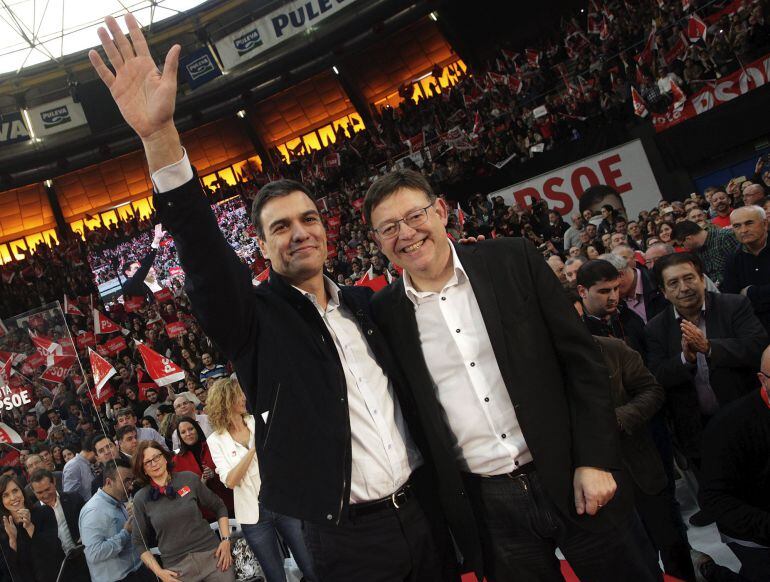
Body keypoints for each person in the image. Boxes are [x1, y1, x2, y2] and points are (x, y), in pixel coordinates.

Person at [90, 14, 454, 581]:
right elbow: (205, 254)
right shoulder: (253, 321)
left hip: (427, 512)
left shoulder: (369, 305)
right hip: (347, 540)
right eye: (280, 227)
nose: (300, 231)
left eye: (308, 218)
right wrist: (160, 138)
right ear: (259, 246)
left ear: (327, 228)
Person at [364, 169, 658, 581]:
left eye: (415, 216)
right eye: (389, 227)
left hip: (573, 471)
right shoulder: (385, 313)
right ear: (378, 241)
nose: (407, 233)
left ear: (442, 211)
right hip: (489, 507)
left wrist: (595, 459)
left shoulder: (513, 258)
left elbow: (584, 363)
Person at [645, 253, 767, 477]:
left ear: (702, 279)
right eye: (673, 283)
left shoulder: (734, 305)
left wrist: (710, 347)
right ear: (663, 292)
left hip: (749, 421)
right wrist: (686, 359)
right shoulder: (656, 328)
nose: (684, 287)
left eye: (689, 278)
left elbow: (758, 347)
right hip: (699, 432)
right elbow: (657, 375)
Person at [591, 336, 696, 582]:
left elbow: (653, 390)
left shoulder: (612, 349)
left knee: (672, 546)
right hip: (595, 482)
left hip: (640, 468)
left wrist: (621, 417)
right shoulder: (541, 364)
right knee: (631, 560)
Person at [206, 378, 318, 582]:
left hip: (283, 503)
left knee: (311, 566)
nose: (244, 397)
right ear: (227, 400)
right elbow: (230, 481)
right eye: (239, 394)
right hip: (253, 516)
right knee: (275, 576)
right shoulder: (215, 440)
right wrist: (254, 449)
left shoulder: (259, 420)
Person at [698, 344, 770, 582]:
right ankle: (713, 573)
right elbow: (714, 499)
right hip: (754, 531)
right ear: (762, 379)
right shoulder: (729, 427)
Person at [131, 441, 234, 582]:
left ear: (165, 457)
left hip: (213, 557)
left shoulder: (188, 478)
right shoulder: (141, 499)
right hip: (177, 571)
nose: (154, 463)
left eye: (157, 457)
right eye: (147, 462)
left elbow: (219, 506)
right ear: (143, 469)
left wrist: (226, 540)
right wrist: (160, 573)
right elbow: (138, 541)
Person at [80, 457, 156, 582]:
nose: (130, 487)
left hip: (137, 570)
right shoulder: (93, 511)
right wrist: (125, 534)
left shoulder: (118, 500)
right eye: (126, 481)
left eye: (131, 480)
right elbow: (94, 554)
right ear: (109, 482)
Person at [28, 468, 90, 581]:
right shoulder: (33, 515)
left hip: (84, 559)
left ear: (54, 482)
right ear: (33, 492)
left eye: (47, 489)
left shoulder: (74, 499)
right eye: (40, 492)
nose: (45, 495)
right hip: (59, 570)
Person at [576, 259, 647, 356]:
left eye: (616, 288)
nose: (613, 297)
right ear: (582, 291)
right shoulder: (575, 330)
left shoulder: (631, 318)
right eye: (604, 291)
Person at [172, 416, 233, 518]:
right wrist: (197, 485)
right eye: (183, 432)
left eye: (191, 429)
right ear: (180, 436)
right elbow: (180, 492)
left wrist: (214, 473)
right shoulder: (176, 461)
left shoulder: (213, 445)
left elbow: (231, 469)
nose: (188, 433)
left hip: (229, 503)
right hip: (203, 514)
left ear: (197, 429)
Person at [722, 206, 770, 334]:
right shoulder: (732, 259)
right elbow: (732, 299)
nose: (743, 230)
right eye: (737, 226)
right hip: (755, 327)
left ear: (765, 224)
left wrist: (750, 292)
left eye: (749, 223)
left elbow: (742, 297)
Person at [671, 220, 738, 288]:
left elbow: (740, 266)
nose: (683, 248)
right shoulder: (695, 251)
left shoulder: (725, 237)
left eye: (682, 245)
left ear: (689, 238)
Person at [0, 474, 38, 581]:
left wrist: (30, 527)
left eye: (15, 491)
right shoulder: (2, 530)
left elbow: (50, 550)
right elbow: (7, 571)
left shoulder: (43, 512)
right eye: (5, 495)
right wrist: (12, 541)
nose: (13, 498)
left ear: (22, 491)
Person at [121, 223, 165, 300]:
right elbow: (146, 265)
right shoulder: (129, 283)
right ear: (128, 272)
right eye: (136, 268)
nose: (139, 270)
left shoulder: (142, 282)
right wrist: (156, 241)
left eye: (138, 268)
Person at [62, 436, 96, 501]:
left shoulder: (87, 463)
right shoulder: (73, 465)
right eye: (99, 451)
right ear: (92, 450)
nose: (99, 456)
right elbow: (70, 498)